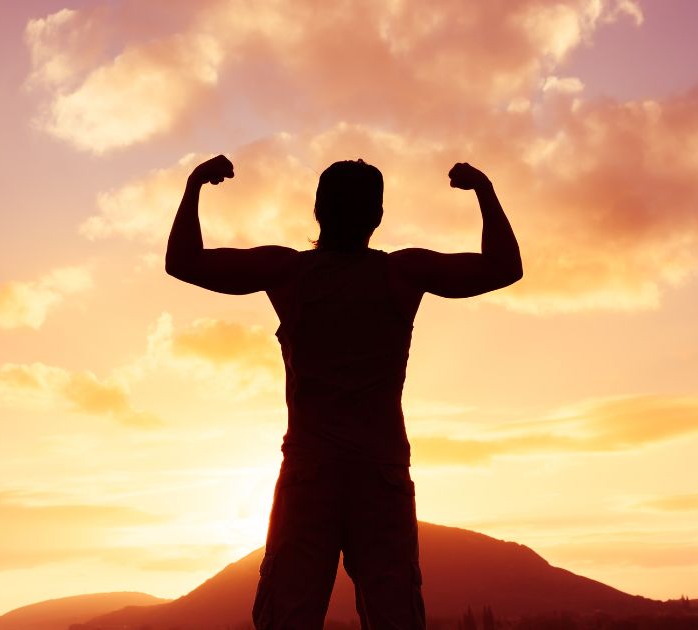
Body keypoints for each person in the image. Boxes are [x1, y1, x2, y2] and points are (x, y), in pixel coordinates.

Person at [166, 155, 521, 630]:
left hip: (313, 473)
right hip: (379, 473)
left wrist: (194, 186)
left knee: (290, 613)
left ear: (318, 210)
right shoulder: (401, 273)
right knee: (393, 612)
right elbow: (502, 267)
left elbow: (184, 262)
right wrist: (484, 190)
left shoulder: (290, 272)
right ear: (378, 215)